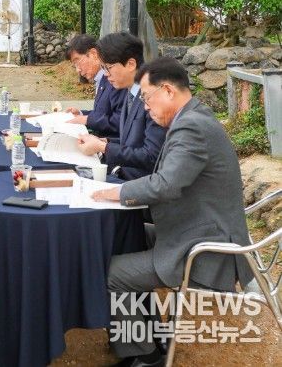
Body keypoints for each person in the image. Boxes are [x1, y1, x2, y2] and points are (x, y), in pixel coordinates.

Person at [91, 57, 252, 367]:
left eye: (147, 98)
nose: (146, 108)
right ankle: (150, 335)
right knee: (131, 237)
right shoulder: (195, 116)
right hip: (196, 227)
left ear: (167, 90)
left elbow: (166, 184)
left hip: (205, 248)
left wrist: (118, 192)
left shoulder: (191, 126)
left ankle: (144, 356)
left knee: (112, 274)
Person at [77, 33, 166, 181]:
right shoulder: (130, 91)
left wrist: (104, 148)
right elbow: (133, 141)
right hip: (123, 174)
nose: (106, 74)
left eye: (108, 68)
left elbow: (151, 156)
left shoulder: (152, 97)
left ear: (131, 64)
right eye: (103, 68)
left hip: (138, 183)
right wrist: (105, 142)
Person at [64, 34, 126, 139]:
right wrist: (80, 114)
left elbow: (120, 121)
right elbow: (102, 113)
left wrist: (87, 120)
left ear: (94, 54)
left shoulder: (114, 80)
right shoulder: (101, 79)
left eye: (77, 62)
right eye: (74, 66)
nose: (78, 70)